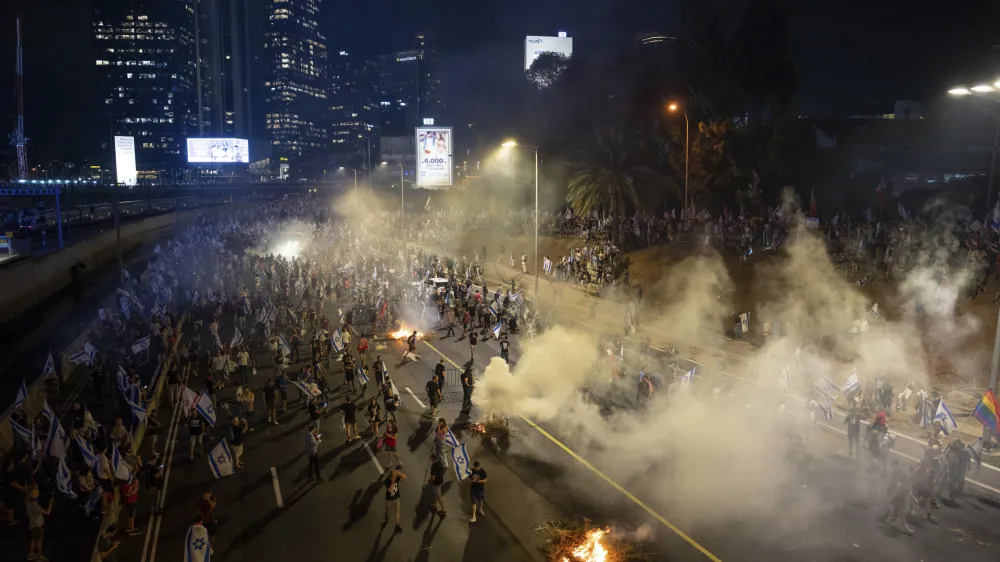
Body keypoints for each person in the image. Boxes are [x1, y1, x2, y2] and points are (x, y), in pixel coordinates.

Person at [25, 489, 53, 561]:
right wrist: (50, 503)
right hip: (38, 525)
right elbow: (47, 512)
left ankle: (31, 554)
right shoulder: (37, 507)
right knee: (39, 540)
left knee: (33, 539)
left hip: (31, 524)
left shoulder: (27, 503)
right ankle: (40, 556)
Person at [383, 465, 406, 533]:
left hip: (396, 498)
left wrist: (398, 473)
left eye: (395, 476)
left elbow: (404, 476)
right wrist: (393, 482)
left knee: (397, 512)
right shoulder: (387, 481)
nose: (395, 477)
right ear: (390, 476)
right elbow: (389, 490)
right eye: (394, 476)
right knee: (387, 509)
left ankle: (397, 525)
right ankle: (386, 515)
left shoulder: (396, 478)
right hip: (389, 499)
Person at [196, 491, 218, 555]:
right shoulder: (201, 500)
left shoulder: (212, 498)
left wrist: (208, 499)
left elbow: (213, 505)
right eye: (208, 493)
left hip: (211, 521)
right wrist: (201, 515)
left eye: (210, 493)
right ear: (205, 493)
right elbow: (198, 510)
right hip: (204, 520)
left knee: (212, 535)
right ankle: (203, 545)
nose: (210, 495)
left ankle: (210, 547)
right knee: (203, 534)